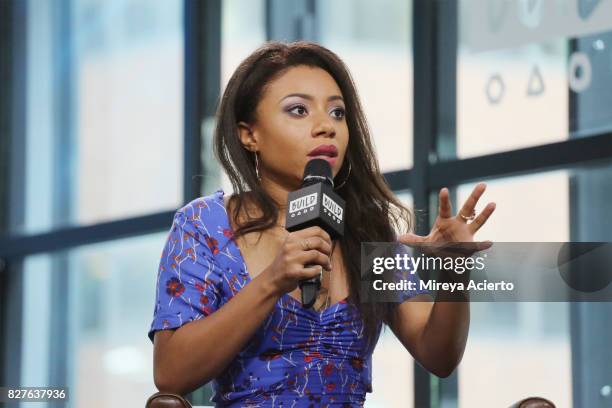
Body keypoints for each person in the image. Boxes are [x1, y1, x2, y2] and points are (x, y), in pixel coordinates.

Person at [148, 41, 496, 407]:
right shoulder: (205, 224)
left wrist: (455, 269)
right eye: (298, 110)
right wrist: (273, 281)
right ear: (249, 134)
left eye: (337, 113)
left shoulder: (367, 232)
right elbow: (171, 372)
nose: (325, 127)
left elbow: (438, 356)